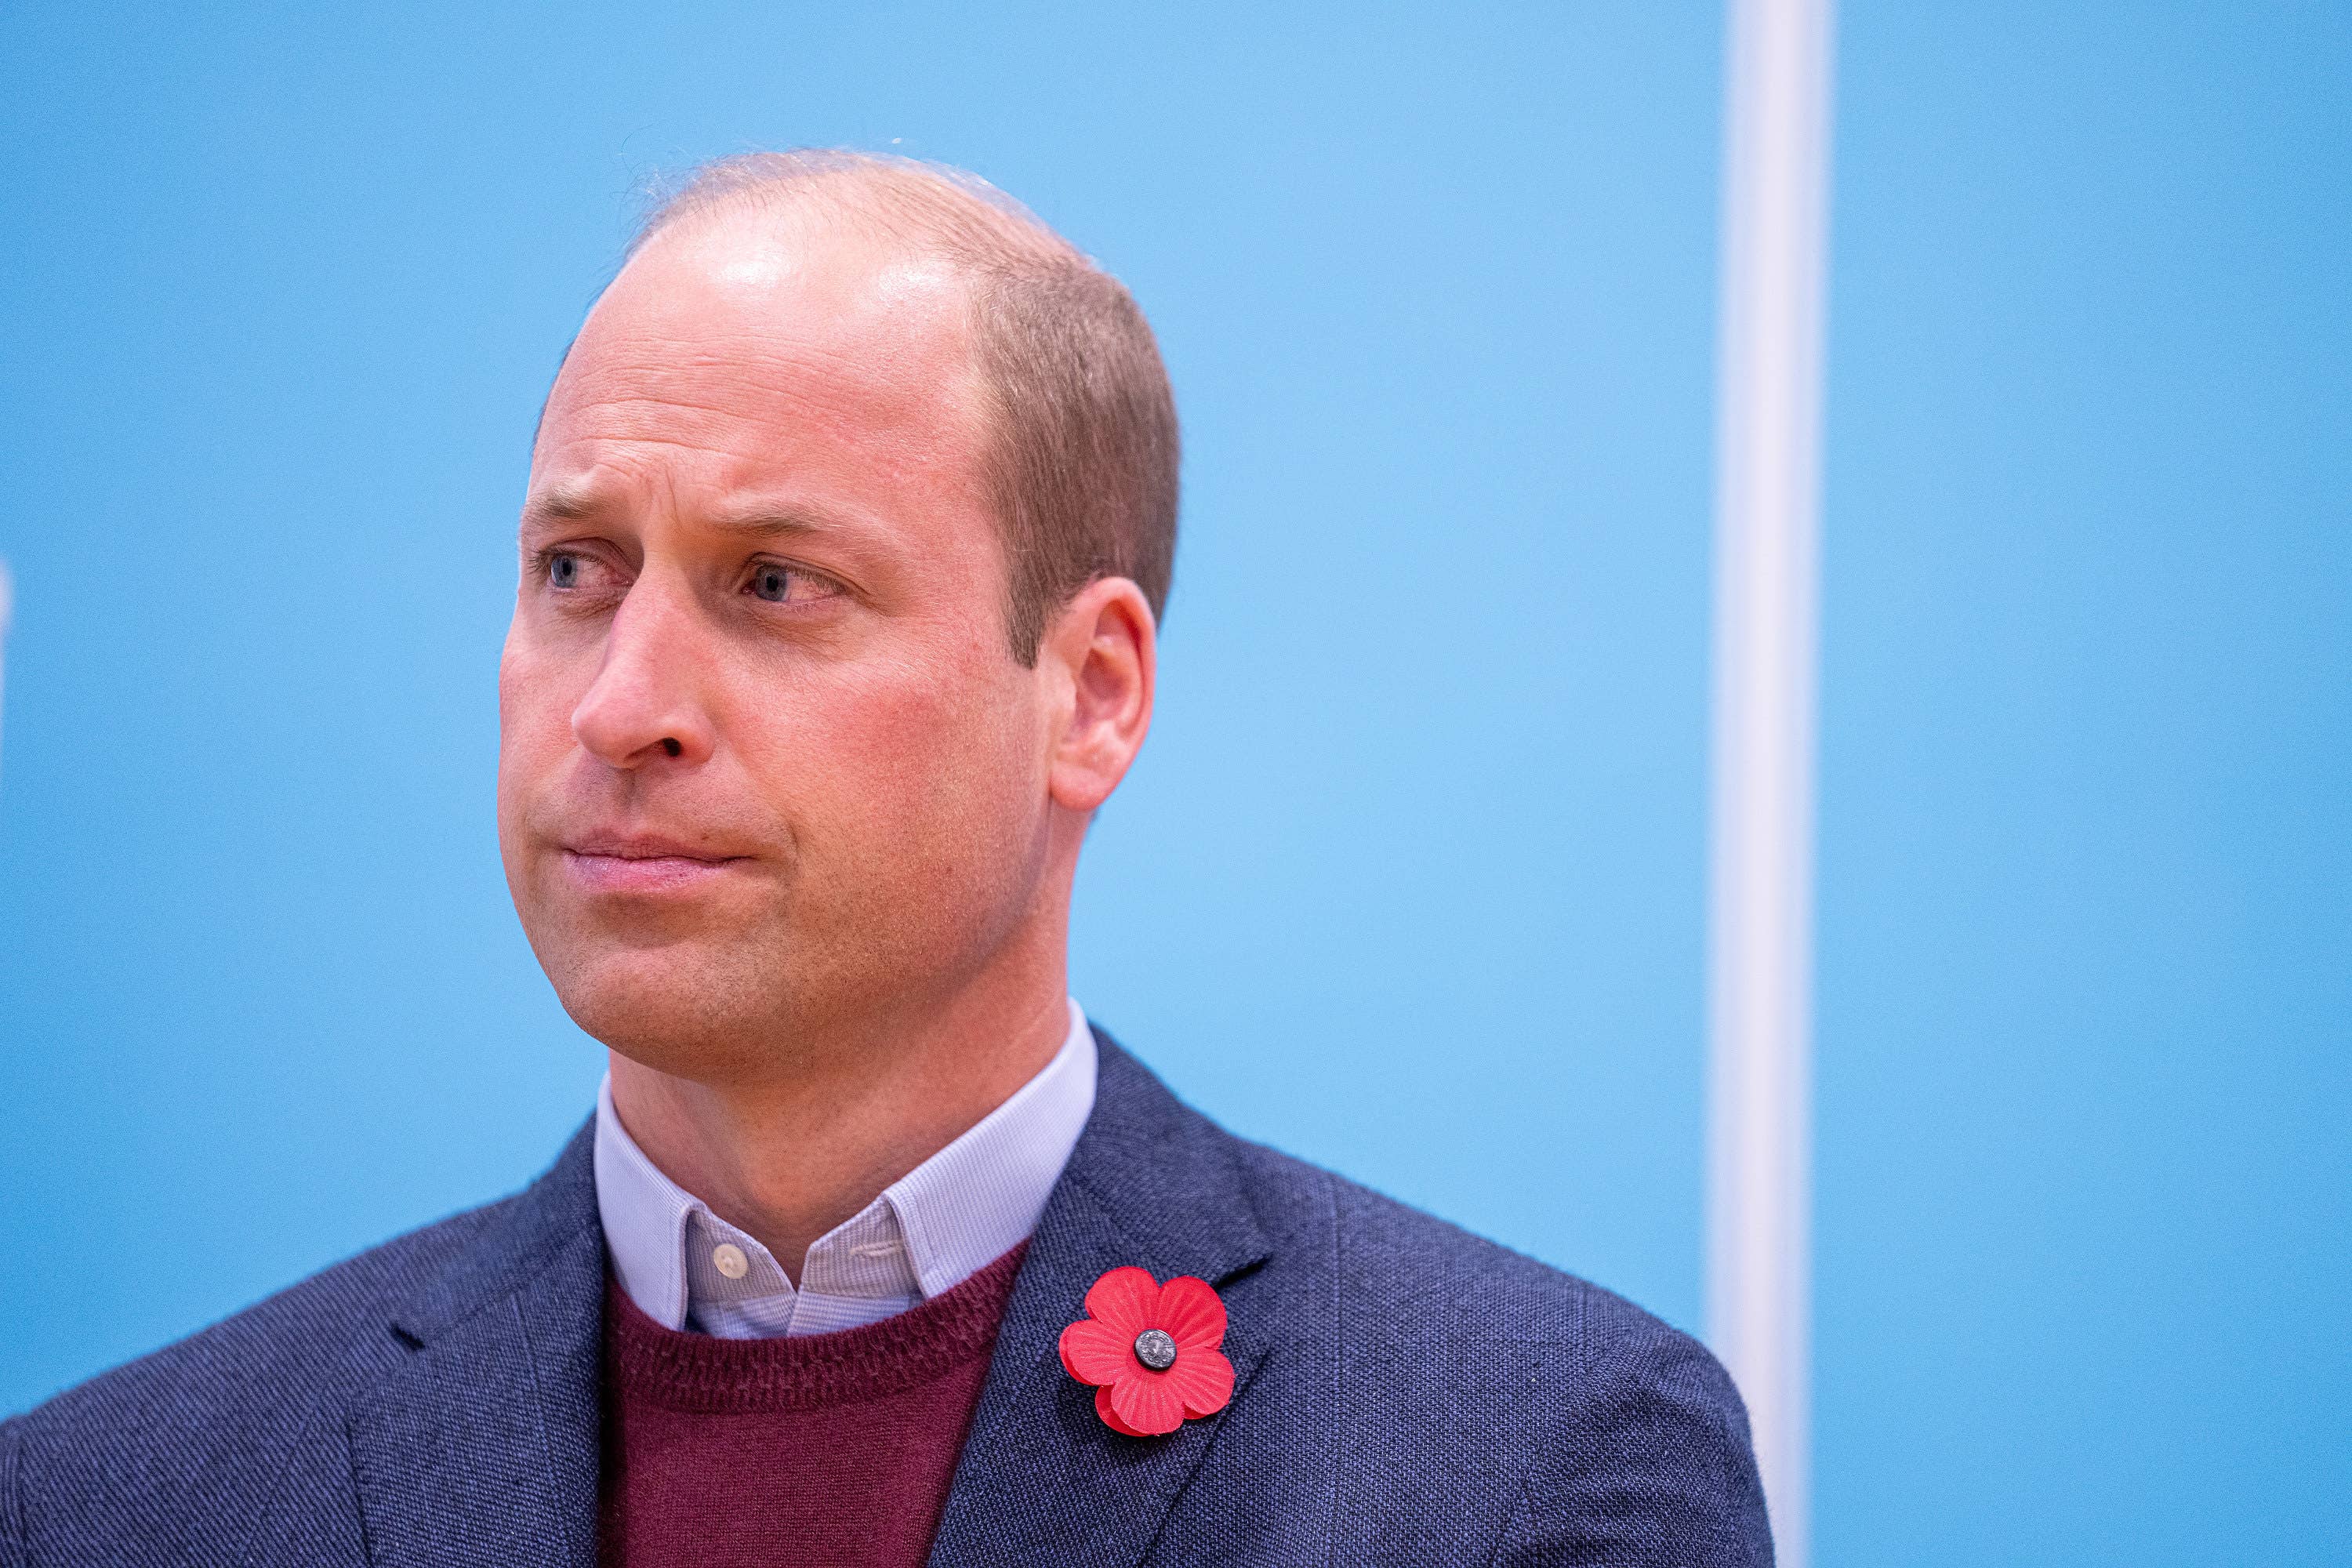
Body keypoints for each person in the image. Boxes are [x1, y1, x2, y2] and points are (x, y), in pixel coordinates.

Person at [0, 151, 1771, 1567]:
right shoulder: (108, 1506)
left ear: (1088, 694)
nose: (624, 706)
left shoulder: (1532, 1474)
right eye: (575, 570)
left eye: (778, 584)